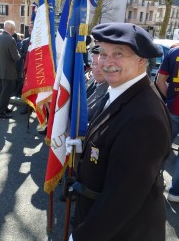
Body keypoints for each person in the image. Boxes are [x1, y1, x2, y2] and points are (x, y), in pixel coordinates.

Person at [71, 23, 172, 241]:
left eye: (118, 54)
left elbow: (121, 200)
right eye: (103, 53)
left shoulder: (144, 118)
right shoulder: (119, 91)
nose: (107, 62)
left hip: (122, 232)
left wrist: (81, 237)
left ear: (141, 60)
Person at [156, 45, 179, 202]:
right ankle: (175, 192)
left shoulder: (174, 52)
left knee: (161, 147)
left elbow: (160, 80)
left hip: (173, 109)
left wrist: (169, 100)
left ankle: (153, 183)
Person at [0, 20, 21, 119]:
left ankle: (4, 108)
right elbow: (16, 57)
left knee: (1, 91)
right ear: (11, 29)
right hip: (7, 70)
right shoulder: (10, 39)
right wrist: (20, 55)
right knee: (6, 92)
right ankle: (0, 112)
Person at [86, 45, 109, 122]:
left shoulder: (110, 92)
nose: (97, 69)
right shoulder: (87, 80)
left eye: (101, 65)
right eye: (94, 64)